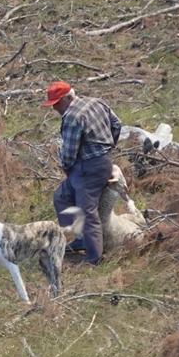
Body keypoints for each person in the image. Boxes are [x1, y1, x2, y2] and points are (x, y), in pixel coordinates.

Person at [42, 81, 121, 265]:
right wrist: (107, 148)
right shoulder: (97, 103)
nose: (54, 108)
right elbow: (117, 125)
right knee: (62, 196)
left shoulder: (72, 116)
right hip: (103, 162)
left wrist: (68, 168)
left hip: (87, 167)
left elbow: (69, 154)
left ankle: (94, 258)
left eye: (57, 103)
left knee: (87, 212)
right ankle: (80, 239)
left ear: (68, 98)